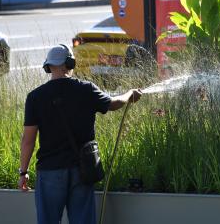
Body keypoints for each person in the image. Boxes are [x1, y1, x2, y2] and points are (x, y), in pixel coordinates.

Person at [18, 44, 142, 224]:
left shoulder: (35, 97)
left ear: (48, 66)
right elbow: (113, 103)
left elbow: (28, 140)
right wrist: (129, 94)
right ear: (70, 63)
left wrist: (23, 172)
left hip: (50, 172)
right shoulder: (86, 89)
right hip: (81, 170)